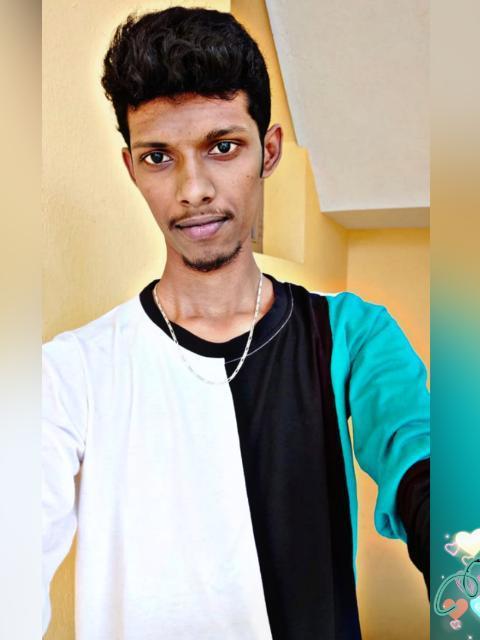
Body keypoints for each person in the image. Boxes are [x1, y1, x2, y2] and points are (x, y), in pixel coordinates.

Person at [42, 7, 430, 639]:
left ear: (267, 151)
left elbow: (422, 457)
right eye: (159, 156)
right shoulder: (71, 373)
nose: (193, 189)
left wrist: (462, 568)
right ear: (132, 168)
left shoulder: (352, 335)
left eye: (222, 147)